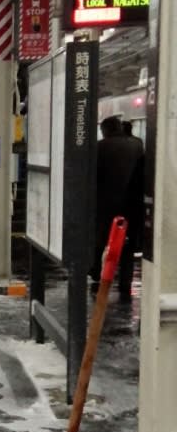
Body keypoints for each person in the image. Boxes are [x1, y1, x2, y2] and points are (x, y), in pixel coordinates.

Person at [92, 115, 144, 300]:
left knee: (100, 243)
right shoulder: (137, 145)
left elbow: (93, 177)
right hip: (132, 205)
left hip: (105, 205)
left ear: (106, 130)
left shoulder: (99, 147)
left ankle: (98, 278)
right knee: (128, 248)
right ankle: (125, 285)